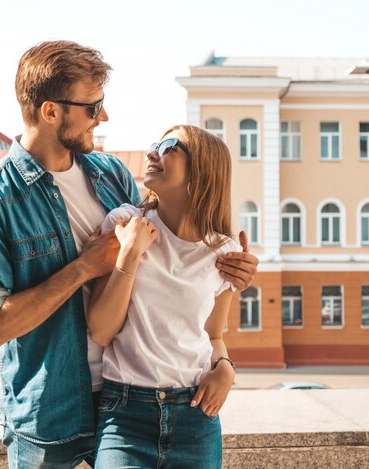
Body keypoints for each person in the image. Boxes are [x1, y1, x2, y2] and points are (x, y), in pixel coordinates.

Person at [0, 40, 258, 468]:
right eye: (93, 107)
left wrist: (232, 281)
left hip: (130, 400)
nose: (104, 116)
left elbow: (166, 266)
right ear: (50, 111)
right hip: (49, 416)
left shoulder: (111, 174)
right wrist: (82, 269)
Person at [88, 125, 240, 468]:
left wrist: (225, 369)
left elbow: (213, 335)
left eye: (169, 146)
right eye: (154, 145)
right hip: (124, 413)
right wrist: (129, 255)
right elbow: (100, 330)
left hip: (195, 415)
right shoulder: (125, 223)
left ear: (202, 168)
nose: (152, 153)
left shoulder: (224, 252)